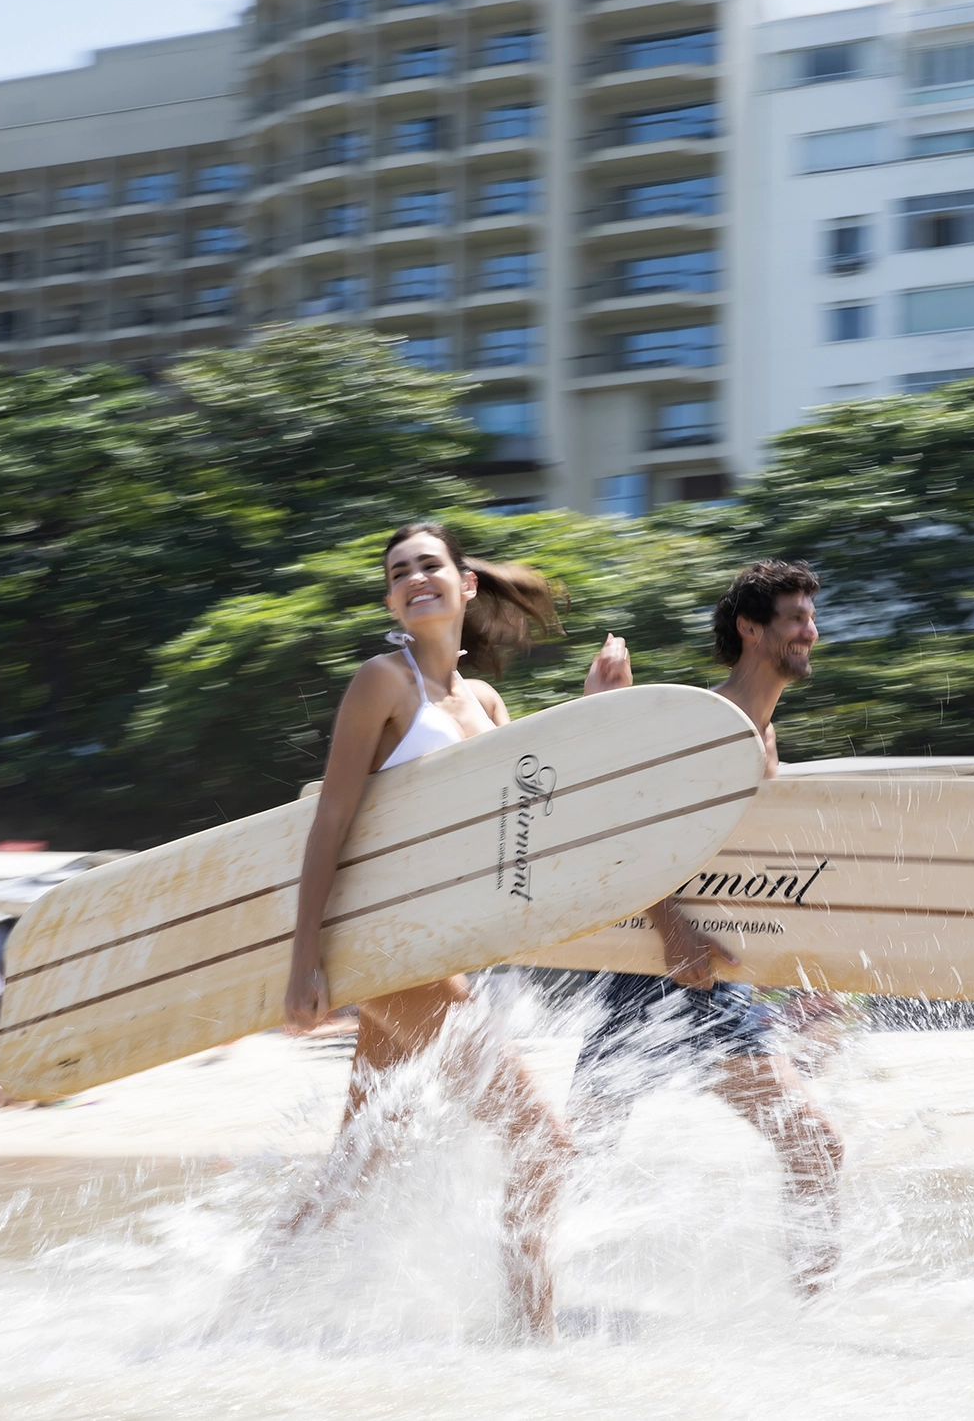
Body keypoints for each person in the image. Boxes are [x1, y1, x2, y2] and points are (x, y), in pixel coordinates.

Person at [277, 521, 609, 1342]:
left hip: (437, 952)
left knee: (357, 1164)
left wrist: (597, 713)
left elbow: (528, 813)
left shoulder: (486, 702)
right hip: (385, 950)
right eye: (399, 572)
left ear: (465, 586)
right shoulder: (381, 684)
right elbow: (330, 822)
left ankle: (242, 1324)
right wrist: (304, 959)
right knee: (545, 1143)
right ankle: (530, 1338)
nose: (414, 578)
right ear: (391, 600)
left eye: (430, 566)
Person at [569, 559, 847, 1275]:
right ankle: (811, 1327)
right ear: (751, 629)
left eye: (810, 618)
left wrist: (801, 975)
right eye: (793, 619)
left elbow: (752, 884)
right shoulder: (712, 724)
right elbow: (619, 827)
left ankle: (514, 1302)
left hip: (703, 969)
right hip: (674, 966)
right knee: (813, 1144)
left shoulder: (764, 735)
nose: (809, 632)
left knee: (575, 1153)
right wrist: (670, 927)